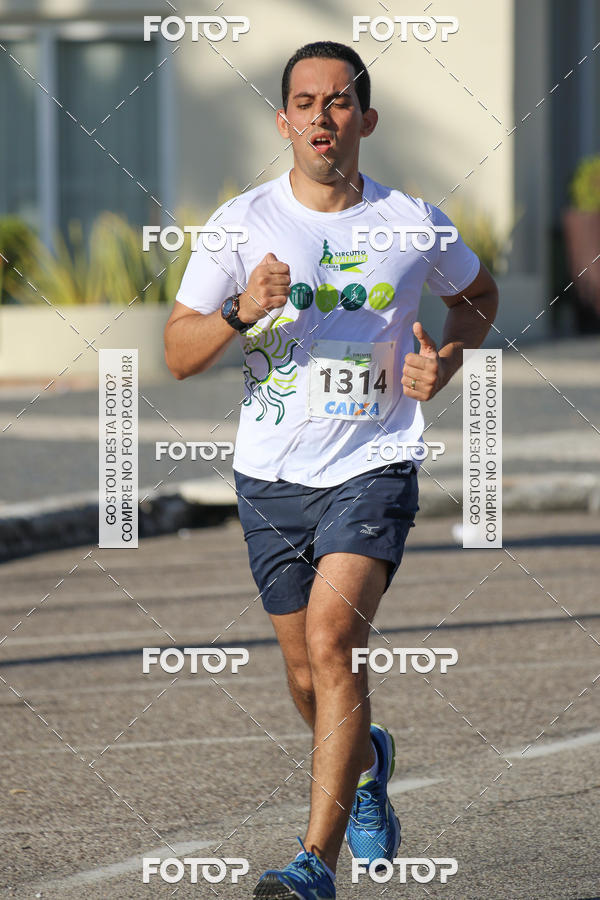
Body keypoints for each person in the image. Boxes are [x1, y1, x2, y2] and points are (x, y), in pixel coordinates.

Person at [165, 40, 498, 900]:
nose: (322, 115)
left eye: (340, 101)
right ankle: (367, 759)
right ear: (284, 122)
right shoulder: (241, 223)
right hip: (271, 476)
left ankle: (314, 865)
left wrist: (448, 362)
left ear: (366, 121)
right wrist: (244, 310)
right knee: (306, 677)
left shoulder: (413, 221)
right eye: (305, 102)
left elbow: (479, 296)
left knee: (332, 641)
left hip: (374, 463)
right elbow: (176, 351)